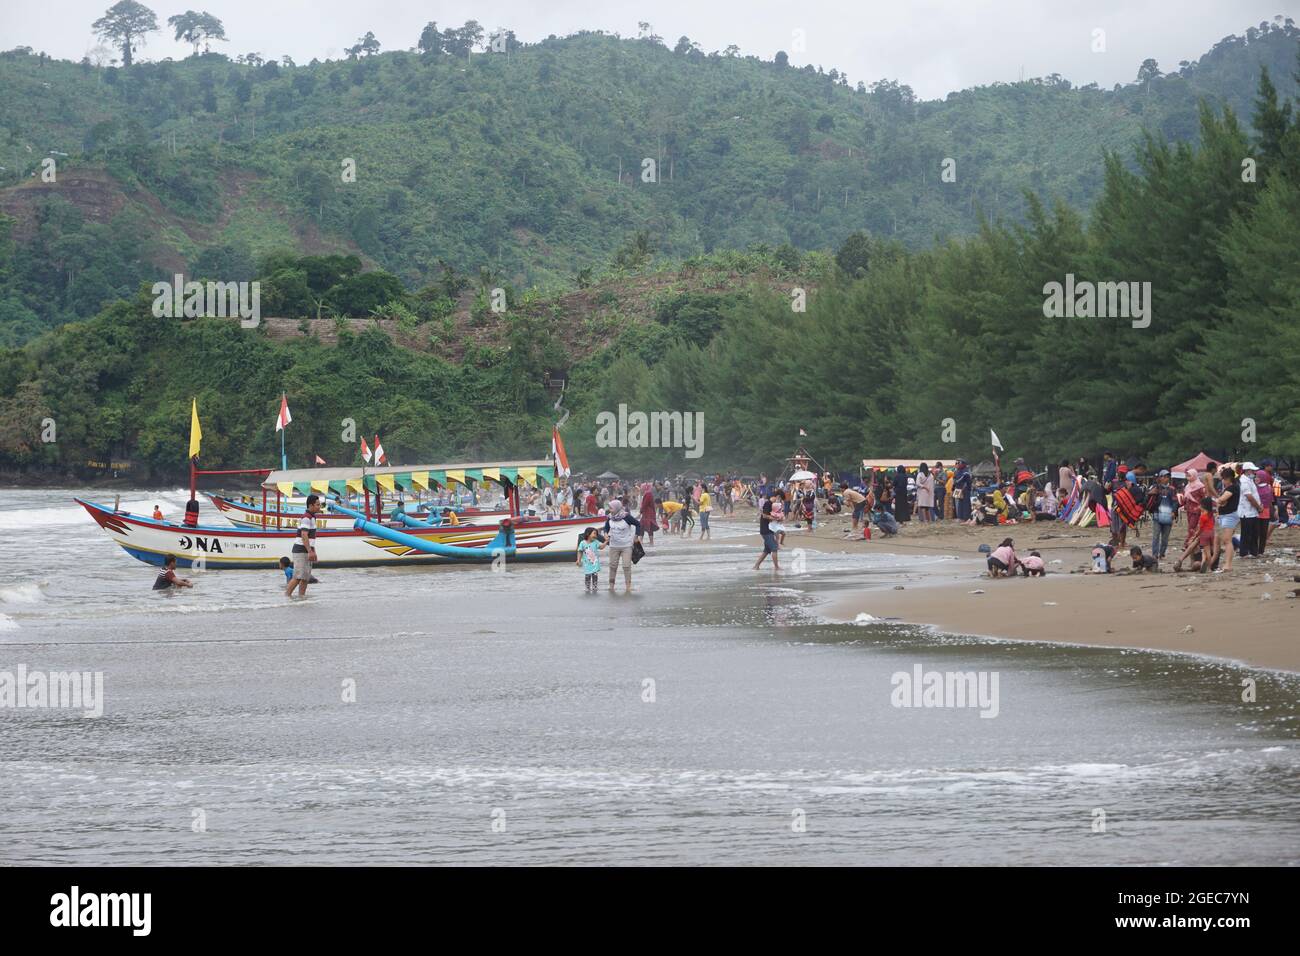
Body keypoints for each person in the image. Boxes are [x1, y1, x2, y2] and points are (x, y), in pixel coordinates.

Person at [286, 494, 322, 598]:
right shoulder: (306, 518)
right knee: (298, 576)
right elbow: (304, 535)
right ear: (311, 505)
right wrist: (310, 551)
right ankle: (286, 597)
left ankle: (301, 597)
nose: (319, 507)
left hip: (306, 550)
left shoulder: (312, 518)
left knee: (305, 577)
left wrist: (313, 551)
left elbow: (310, 539)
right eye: (317, 505)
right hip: (300, 550)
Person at [601, 500, 642, 591]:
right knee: (612, 566)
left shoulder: (626, 517)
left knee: (626, 566)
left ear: (617, 508)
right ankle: (611, 587)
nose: (610, 510)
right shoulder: (610, 517)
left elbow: (638, 524)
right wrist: (605, 534)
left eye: (611, 508)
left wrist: (636, 536)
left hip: (626, 546)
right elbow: (606, 527)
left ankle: (628, 587)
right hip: (613, 546)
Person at [1146, 470, 1179, 560]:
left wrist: (1174, 511)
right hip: (1157, 515)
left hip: (1168, 516)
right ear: (1160, 477)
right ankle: (1154, 554)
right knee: (1156, 536)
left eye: (1167, 477)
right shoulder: (1155, 487)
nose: (1166, 478)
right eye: (1164, 476)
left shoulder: (1172, 489)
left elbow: (1175, 502)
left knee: (1165, 538)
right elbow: (1148, 498)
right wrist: (1151, 493)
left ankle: (1162, 553)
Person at [1212, 466, 1239, 573]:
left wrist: (1218, 500)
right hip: (1224, 515)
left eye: (1223, 478)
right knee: (1221, 539)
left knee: (1227, 540)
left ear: (1227, 478)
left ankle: (1228, 564)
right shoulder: (1228, 488)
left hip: (1230, 515)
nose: (1222, 481)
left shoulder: (1233, 488)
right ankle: (1218, 562)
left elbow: (1222, 499)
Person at [1237, 462, 1263, 558]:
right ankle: (1244, 553)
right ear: (1247, 471)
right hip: (1246, 511)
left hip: (1253, 511)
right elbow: (1249, 497)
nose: (1254, 472)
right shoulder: (1244, 481)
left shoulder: (1250, 480)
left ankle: (1253, 552)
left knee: (1254, 533)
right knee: (1246, 533)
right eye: (1253, 470)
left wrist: (1259, 505)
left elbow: (1254, 495)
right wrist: (1258, 506)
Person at [754, 491, 782, 570]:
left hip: (769, 529)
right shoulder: (768, 503)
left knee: (766, 550)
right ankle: (776, 567)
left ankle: (756, 566)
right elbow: (765, 515)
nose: (778, 500)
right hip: (766, 530)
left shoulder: (772, 505)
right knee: (774, 548)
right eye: (779, 498)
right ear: (777, 496)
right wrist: (775, 518)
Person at [576, 527, 604, 593]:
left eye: (596, 534)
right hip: (587, 564)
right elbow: (580, 551)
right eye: (594, 533)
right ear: (588, 534)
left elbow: (601, 547)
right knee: (587, 576)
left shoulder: (596, 542)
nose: (596, 535)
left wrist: (605, 542)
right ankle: (587, 588)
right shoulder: (582, 543)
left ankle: (595, 587)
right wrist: (578, 560)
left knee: (595, 576)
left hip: (595, 563)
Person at [953, 460, 973, 524]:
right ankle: (960, 517)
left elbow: (965, 481)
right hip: (958, 489)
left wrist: (962, 489)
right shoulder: (957, 471)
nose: (957, 464)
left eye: (959, 463)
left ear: (963, 464)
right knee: (959, 504)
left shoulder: (966, 471)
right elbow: (955, 478)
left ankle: (966, 518)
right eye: (957, 463)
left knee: (965, 504)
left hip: (965, 490)